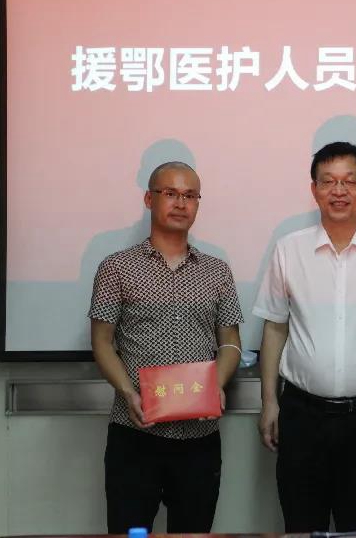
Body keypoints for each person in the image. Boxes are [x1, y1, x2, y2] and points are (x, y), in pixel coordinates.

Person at [254, 141, 356, 532]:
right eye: (328, 181)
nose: (339, 191)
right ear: (314, 190)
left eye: (349, 181)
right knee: (301, 525)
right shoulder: (289, 250)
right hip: (301, 415)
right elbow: (275, 328)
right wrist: (269, 402)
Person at [89, 161, 243, 534]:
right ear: (149, 199)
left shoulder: (217, 271)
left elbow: (230, 342)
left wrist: (216, 385)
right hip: (135, 433)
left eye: (190, 195)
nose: (180, 203)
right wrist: (128, 393)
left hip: (199, 439)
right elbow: (102, 342)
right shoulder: (116, 268)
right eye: (170, 193)